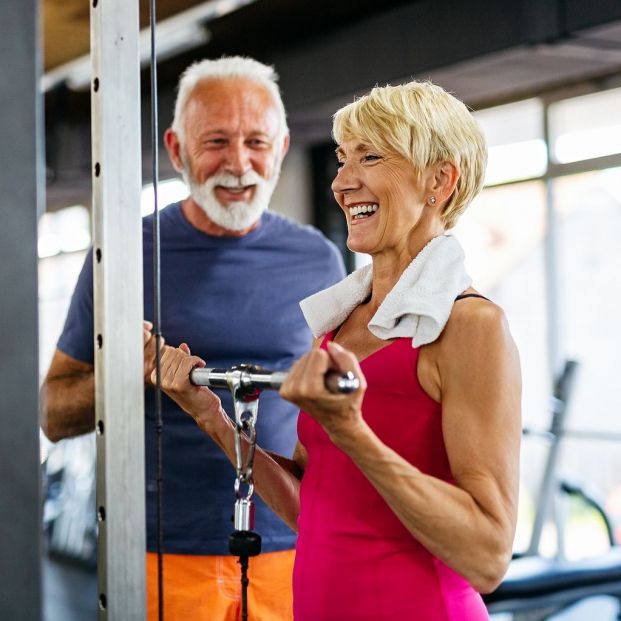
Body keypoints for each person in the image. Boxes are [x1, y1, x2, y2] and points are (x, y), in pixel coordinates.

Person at [153, 79, 522, 620]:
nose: (343, 182)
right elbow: (315, 509)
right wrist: (212, 419)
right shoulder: (337, 326)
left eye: (369, 157)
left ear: (439, 180)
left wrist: (352, 431)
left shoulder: (470, 325)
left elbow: (488, 556)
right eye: (343, 159)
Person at [41, 56, 345, 620]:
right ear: (177, 150)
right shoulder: (124, 254)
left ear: (280, 148)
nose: (238, 164)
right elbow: (53, 415)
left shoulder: (319, 259)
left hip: (297, 545)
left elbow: (338, 409)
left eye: (256, 141)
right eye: (216, 142)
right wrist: (121, 375)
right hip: (162, 551)